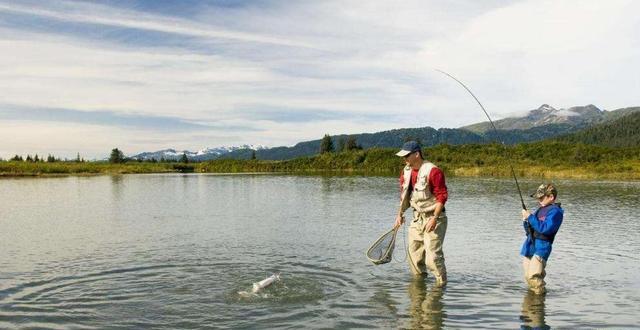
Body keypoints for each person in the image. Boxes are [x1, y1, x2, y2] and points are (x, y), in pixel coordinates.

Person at [393, 141, 449, 286]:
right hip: (417, 218)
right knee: (414, 256)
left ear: (417, 154)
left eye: (407, 155)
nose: (404, 158)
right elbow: (404, 194)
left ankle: (440, 289)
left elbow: (442, 196)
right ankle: (418, 294)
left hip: (435, 218)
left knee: (432, 259)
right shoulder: (406, 171)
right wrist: (400, 214)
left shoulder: (434, 171)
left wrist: (434, 218)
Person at [520, 183, 564, 294]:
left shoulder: (555, 212)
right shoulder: (540, 210)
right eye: (538, 197)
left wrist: (530, 217)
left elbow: (545, 229)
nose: (539, 200)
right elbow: (529, 231)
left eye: (541, 197)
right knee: (528, 278)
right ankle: (530, 305)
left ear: (551, 197)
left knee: (533, 277)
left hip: (542, 248)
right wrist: (526, 220)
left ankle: (538, 303)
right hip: (530, 247)